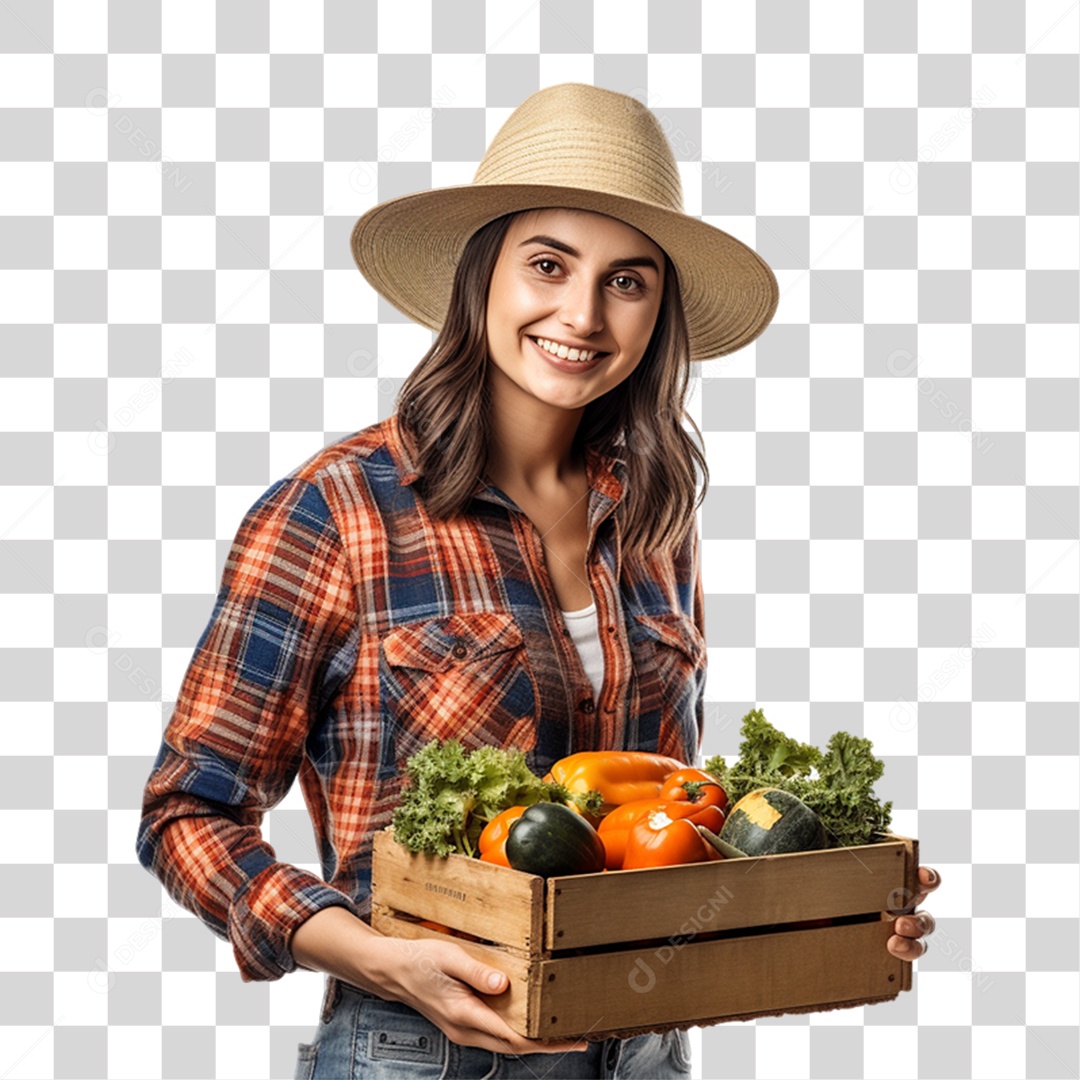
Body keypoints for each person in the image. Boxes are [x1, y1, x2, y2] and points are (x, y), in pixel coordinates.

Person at [137, 82, 941, 1080]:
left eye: (627, 280)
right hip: (421, 1054)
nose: (583, 314)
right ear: (484, 276)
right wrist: (378, 958)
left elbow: (659, 826)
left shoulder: (653, 518)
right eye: (549, 265)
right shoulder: (337, 512)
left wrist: (828, 905)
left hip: (642, 1049)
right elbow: (188, 814)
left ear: (659, 311)